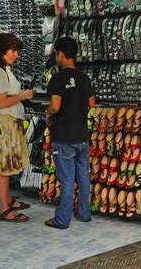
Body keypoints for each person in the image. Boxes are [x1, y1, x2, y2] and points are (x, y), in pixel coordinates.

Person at [45, 37, 95, 229]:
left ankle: (62, 219)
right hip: (82, 136)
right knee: (83, 177)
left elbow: (55, 106)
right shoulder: (84, 78)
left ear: (61, 54)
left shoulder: (57, 78)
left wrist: (48, 112)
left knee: (66, 179)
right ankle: (84, 213)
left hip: (64, 136)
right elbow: (91, 104)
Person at [0, 33, 35, 222]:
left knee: (7, 166)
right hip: (4, 123)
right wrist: (24, 95)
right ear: (2, 50)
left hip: (10, 121)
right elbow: (3, 102)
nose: (16, 55)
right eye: (13, 51)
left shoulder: (3, 68)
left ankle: (7, 201)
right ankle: (4, 209)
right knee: (3, 168)